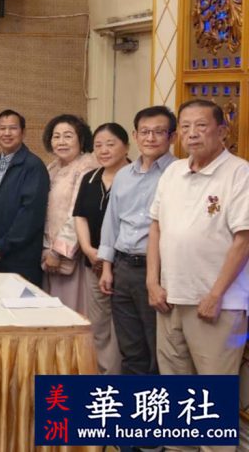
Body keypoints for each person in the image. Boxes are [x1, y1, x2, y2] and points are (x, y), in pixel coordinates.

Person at [148, 99, 249, 380]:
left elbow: (244, 240)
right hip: (169, 298)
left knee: (214, 389)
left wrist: (216, 295)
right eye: (185, 126)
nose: (192, 133)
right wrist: (152, 282)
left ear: (222, 131)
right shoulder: (173, 171)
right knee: (174, 387)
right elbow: (155, 227)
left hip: (216, 303)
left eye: (201, 126)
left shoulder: (240, 173)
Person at [98, 106, 177, 375]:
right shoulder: (123, 175)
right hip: (122, 268)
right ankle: (134, 400)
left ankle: (156, 400)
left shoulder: (178, 173)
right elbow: (112, 221)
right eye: (145, 132)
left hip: (156, 271)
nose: (150, 138)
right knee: (130, 349)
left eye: (159, 132)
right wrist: (107, 267)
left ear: (172, 137)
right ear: (135, 135)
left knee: (158, 348)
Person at [73, 123, 128, 375]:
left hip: (125, 264)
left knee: (125, 323)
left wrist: (108, 257)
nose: (103, 150)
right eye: (98, 145)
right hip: (93, 262)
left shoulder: (134, 178)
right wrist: (87, 248)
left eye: (110, 144)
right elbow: (80, 216)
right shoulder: (90, 178)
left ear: (126, 146)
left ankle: (122, 377)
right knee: (99, 323)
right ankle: (105, 375)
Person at [0, 109, 50, 286]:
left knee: (21, 301)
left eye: (13, 128)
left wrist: (2, 245)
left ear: (23, 132)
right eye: (2, 128)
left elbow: (31, 214)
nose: (7, 133)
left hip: (21, 256)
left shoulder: (33, 166)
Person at [40, 114, 98, 313]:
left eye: (68, 136)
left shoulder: (86, 167)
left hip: (72, 253)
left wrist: (58, 251)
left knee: (71, 309)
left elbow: (78, 213)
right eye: (56, 136)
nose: (61, 142)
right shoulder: (52, 167)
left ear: (81, 139)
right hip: (48, 252)